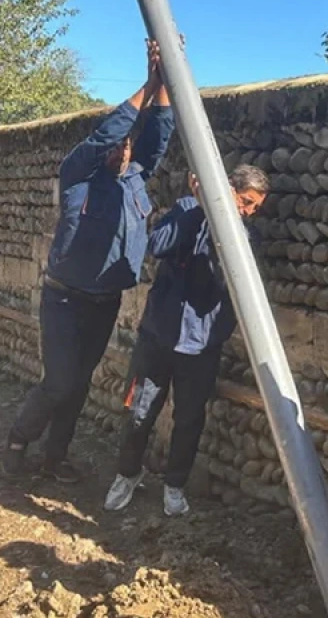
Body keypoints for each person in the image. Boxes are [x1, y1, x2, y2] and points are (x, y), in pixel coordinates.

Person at [1, 40, 174, 482]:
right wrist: (148, 83)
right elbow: (106, 134)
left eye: (128, 148)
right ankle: (18, 441)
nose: (123, 152)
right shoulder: (77, 175)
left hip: (104, 302)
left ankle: (54, 460)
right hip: (64, 301)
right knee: (58, 382)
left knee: (78, 386)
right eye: (118, 148)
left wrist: (167, 78)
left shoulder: (135, 178)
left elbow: (160, 132)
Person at [103, 163, 271, 516]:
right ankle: (128, 475)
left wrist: (221, 229)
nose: (248, 212)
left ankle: (174, 485)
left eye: (255, 207)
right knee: (138, 413)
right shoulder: (186, 209)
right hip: (158, 336)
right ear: (228, 189)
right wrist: (200, 211)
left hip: (201, 345)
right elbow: (158, 245)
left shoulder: (245, 237)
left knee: (190, 419)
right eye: (245, 202)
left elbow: (228, 283)